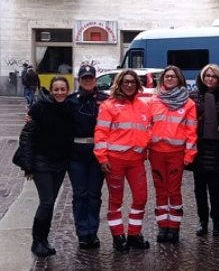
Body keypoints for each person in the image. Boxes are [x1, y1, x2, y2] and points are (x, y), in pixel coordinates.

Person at [94, 69, 151, 252]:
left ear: (137, 85)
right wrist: (102, 158)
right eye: (125, 82)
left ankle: (134, 234)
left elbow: (148, 129)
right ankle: (118, 236)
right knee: (115, 200)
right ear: (119, 83)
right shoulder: (108, 106)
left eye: (132, 82)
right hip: (115, 160)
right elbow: (100, 134)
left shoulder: (144, 105)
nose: (129, 85)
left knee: (141, 198)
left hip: (136, 160)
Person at [18, 76, 73, 257]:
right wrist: (28, 166)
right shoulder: (39, 108)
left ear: (67, 90)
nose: (59, 92)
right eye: (56, 89)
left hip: (60, 163)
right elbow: (27, 136)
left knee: (50, 203)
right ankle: (37, 241)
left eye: (62, 89)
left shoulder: (69, 108)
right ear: (51, 90)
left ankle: (44, 239)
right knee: (47, 202)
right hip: (42, 162)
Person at [148, 65, 197, 243]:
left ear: (179, 79)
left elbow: (192, 130)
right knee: (160, 190)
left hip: (176, 153)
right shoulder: (153, 101)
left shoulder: (189, 103)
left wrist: (189, 154)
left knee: (174, 191)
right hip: (157, 153)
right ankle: (163, 227)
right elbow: (147, 126)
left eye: (173, 76)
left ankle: (174, 228)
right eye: (167, 76)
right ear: (162, 79)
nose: (169, 79)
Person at [67, 65, 108, 249]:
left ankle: (93, 232)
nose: (88, 80)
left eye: (90, 77)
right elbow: (53, 113)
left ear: (95, 79)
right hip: (76, 154)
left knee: (94, 195)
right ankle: (82, 233)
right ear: (79, 80)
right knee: (79, 195)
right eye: (84, 78)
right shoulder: (71, 101)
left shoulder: (105, 100)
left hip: (97, 154)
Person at [188, 64, 219, 237]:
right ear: (202, 77)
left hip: (216, 147)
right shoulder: (194, 95)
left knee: (214, 188)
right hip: (198, 147)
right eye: (207, 76)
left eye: (213, 76)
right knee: (199, 189)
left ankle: (217, 222)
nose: (210, 79)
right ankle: (202, 221)